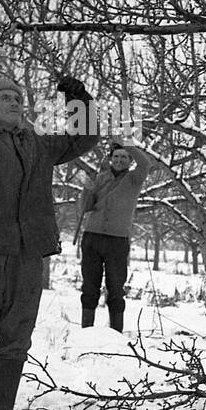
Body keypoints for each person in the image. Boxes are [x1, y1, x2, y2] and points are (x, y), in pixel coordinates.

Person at [0, 46, 98, 410]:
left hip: (29, 254)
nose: (14, 102)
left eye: (18, 98)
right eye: (4, 97)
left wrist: (78, 97)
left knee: (17, 336)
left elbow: (84, 137)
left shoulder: (38, 145)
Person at [75, 139, 157, 332]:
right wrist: (86, 188)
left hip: (117, 241)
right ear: (111, 159)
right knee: (89, 287)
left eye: (124, 157)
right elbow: (85, 209)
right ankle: (86, 331)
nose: (119, 160)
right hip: (92, 237)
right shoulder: (100, 177)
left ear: (130, 160)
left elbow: (146, 162)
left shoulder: (135, 178)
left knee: (115, 289)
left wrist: (125, 142)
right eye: (116, 156)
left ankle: (115, 334)